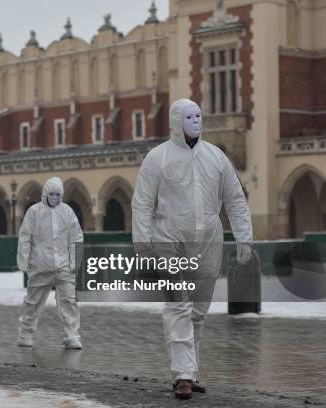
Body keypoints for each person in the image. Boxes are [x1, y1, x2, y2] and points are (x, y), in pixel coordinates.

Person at [131, 98, 253, 399]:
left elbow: (235, 199)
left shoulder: (216, 157)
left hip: (209, 241)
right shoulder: (157, 158)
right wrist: (143, 245)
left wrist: (244, 238)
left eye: (199, 115)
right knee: (179, 305)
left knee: (198, 311)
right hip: (168, 241)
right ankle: (183, 374)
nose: (196, 121)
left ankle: (190, 371)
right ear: (176, 120)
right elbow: (142, 203)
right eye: (189, 116)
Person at [17, 177, 84, 350]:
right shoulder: (34, 212)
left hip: (64, 267)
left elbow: (76, 237)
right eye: (52, 194)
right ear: (45, 193)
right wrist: (23, 260)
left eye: (58, 194)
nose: (55, 197)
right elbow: (25, 236)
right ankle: (25, 333)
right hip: (40, 265)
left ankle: (72, 336)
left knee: (69, 301)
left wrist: (74, 262)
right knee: (32, 302)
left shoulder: (67, 212)